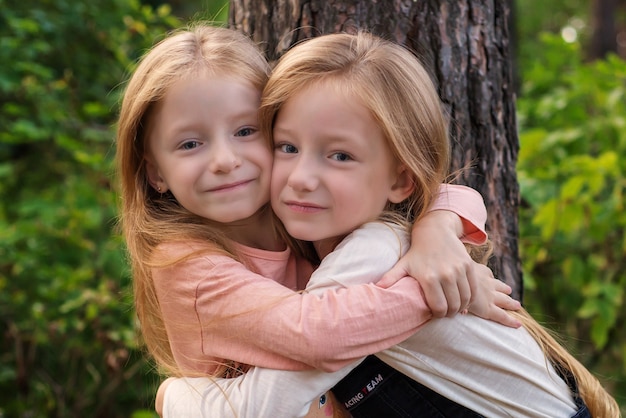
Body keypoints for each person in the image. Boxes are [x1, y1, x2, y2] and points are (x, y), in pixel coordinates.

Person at [157, 31, 620, 417]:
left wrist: (175, 396)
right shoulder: (326, 244)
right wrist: (438, 245)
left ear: (400, 179)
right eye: (287, 147)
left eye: (339, 155)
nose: (301, 178)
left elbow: (265, 401)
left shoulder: (373, 250)